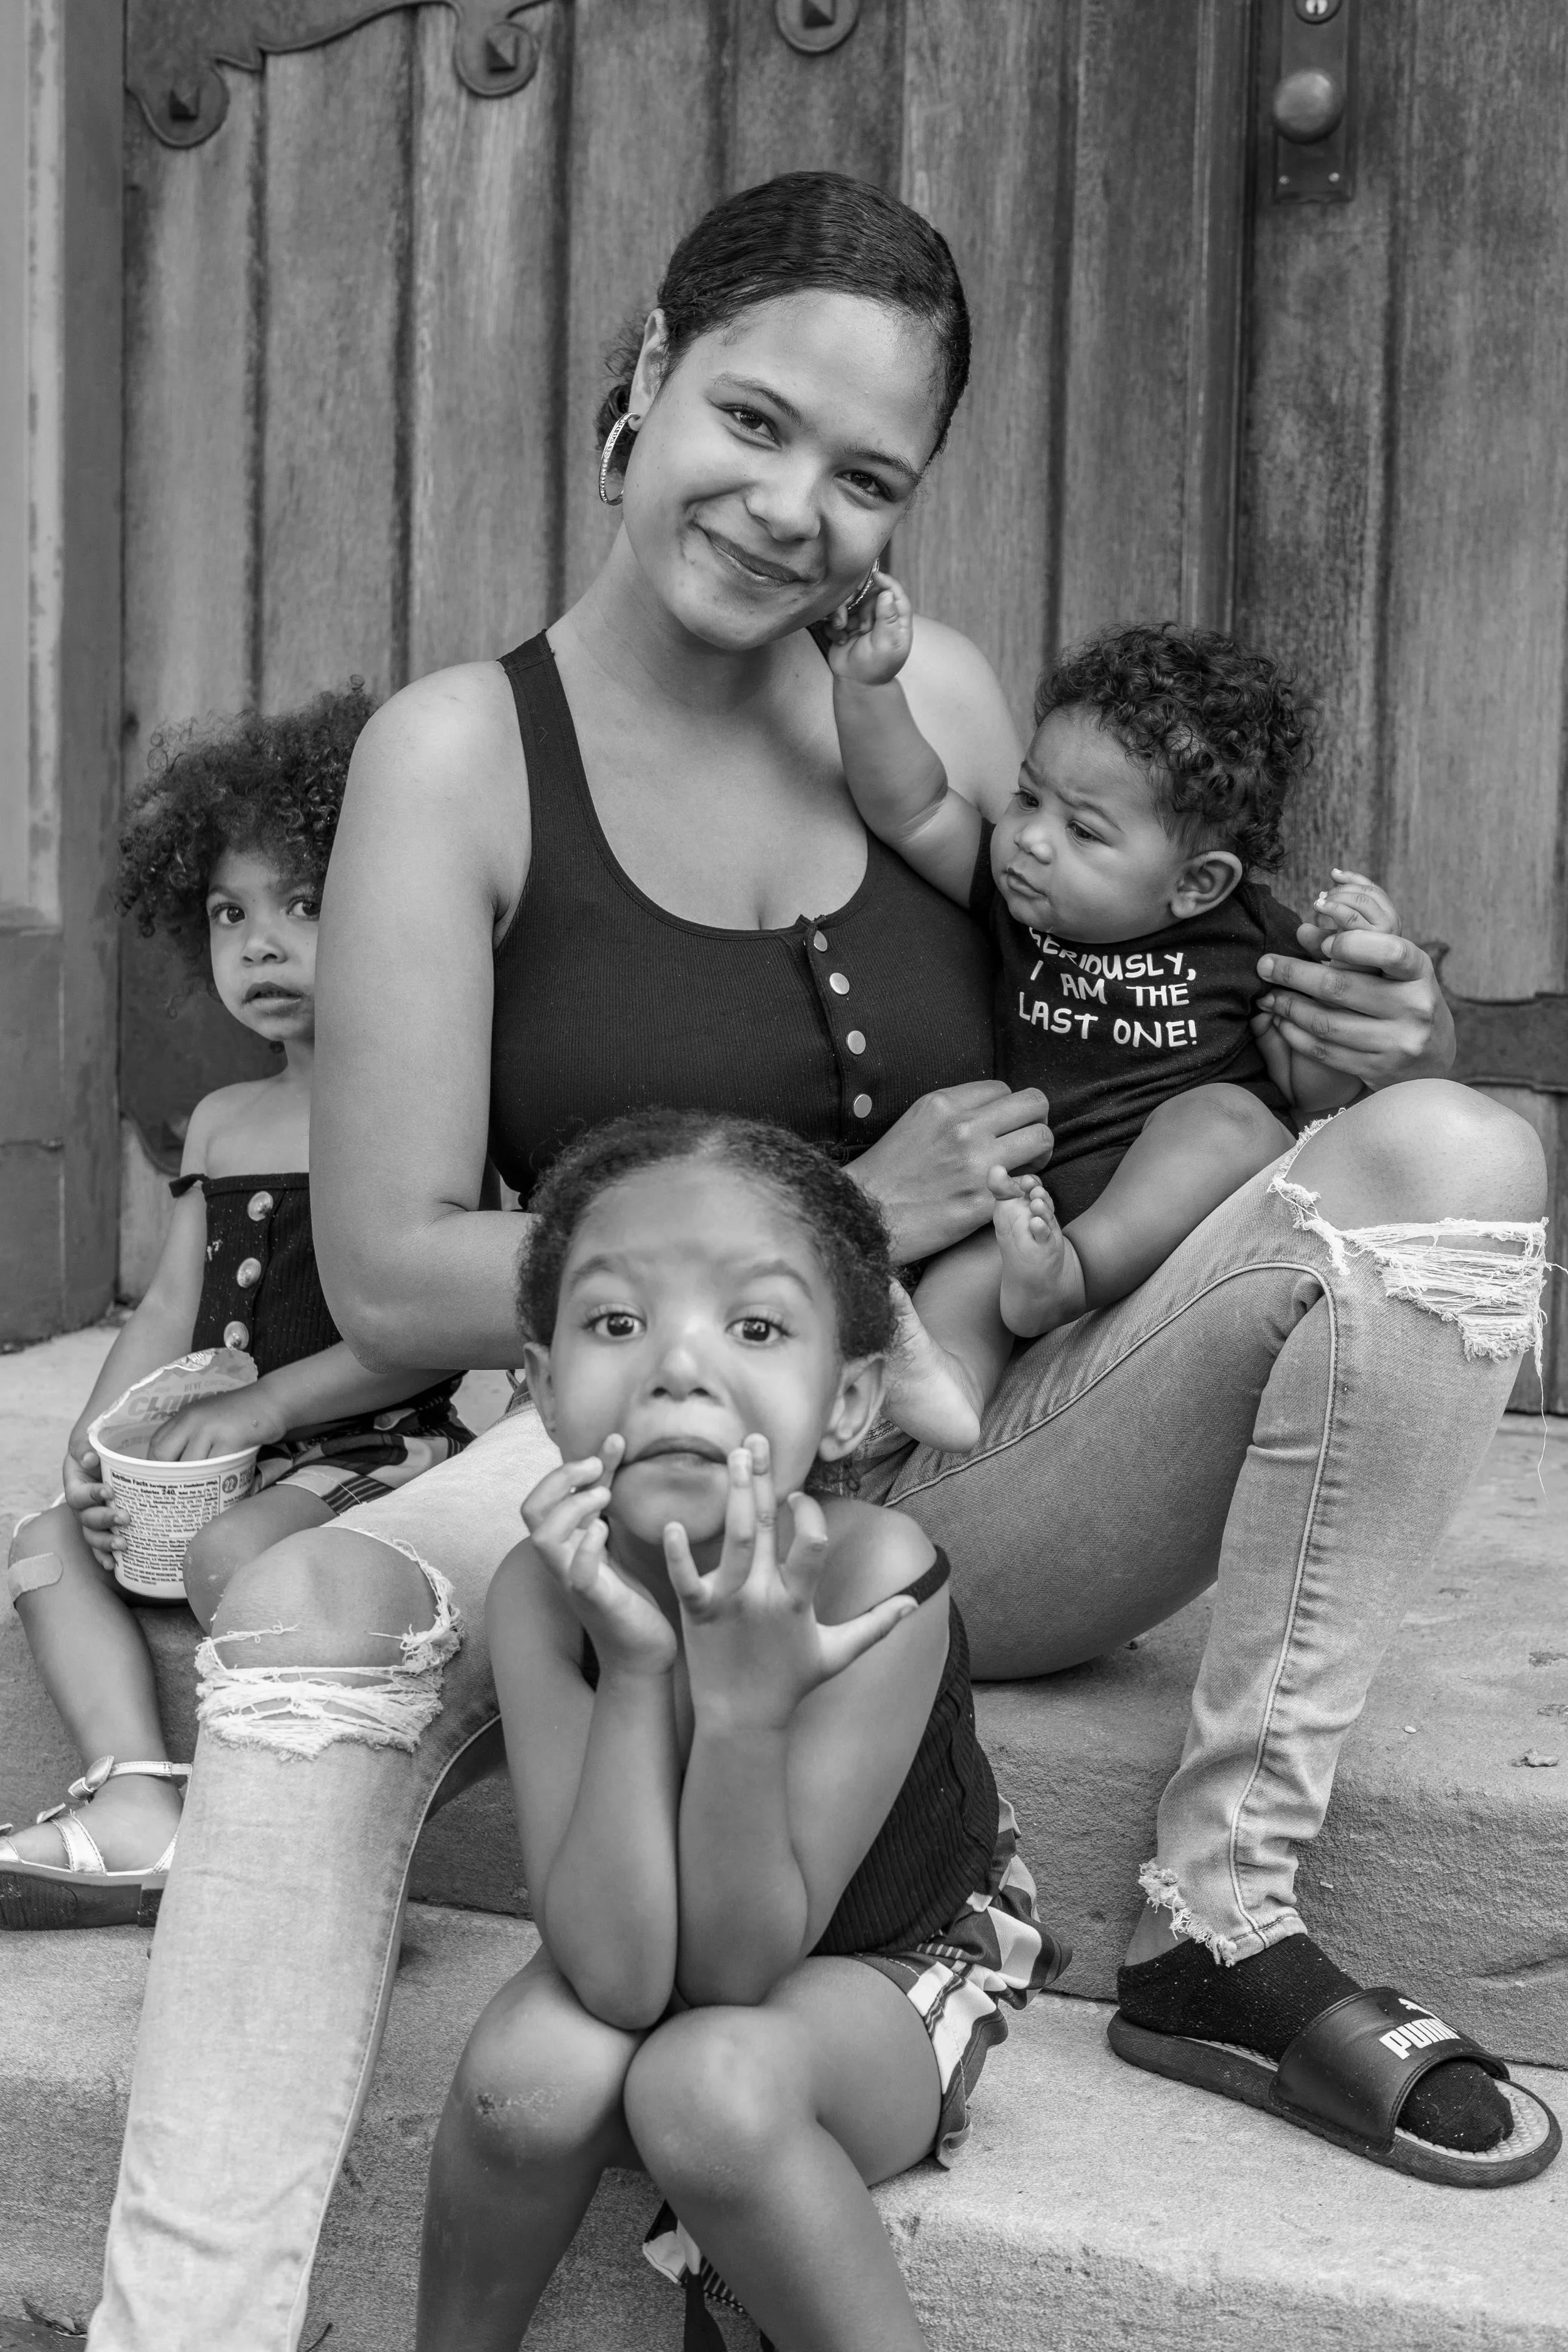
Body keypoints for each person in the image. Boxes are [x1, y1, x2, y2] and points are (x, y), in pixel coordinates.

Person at [88, 169, 1552, 2352]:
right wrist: (840, 1228)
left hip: (977, 1460)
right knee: (304, 1630)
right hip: (639, 1473)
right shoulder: (461, 760)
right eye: (752, 422)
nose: (794, 509)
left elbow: (1141, 1008)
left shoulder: (932, 698)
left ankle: (1214, 1920)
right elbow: (394, 1272)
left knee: (1461, 1142)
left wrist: (1340, 1034)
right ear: (643, 390)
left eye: (866, 476)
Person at [416, 1110, 1062, 2352]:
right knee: (524, 2075)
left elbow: (737, 1977)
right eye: (616, 1324)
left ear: (848, 1401)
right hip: (654, 1950)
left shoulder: (878, 1577)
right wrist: (633, 1669)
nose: (677, 1368)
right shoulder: (541, 1592)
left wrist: (743, 1710)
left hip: (893, 1963)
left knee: (704, 2085)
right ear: (543, 1393)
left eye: (755, 1328)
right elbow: (611, 1975)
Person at [1, 690, 469, 1929]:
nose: (261, 943)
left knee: (229, 1559)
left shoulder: (431, 1114)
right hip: (215, 1461)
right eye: (230, 913)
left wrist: (265, 1403)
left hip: (371, 1454)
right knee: (49, 1544)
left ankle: (292, 1834)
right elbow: (166, 1304)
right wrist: (96, 1448)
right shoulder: (221, 1122)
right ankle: (136, 1798)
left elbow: (430, 1325)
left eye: (305, 905)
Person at [827, 593, 1401, 1449]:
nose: (1030, 839)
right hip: (1033, 1195)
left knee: (1231, 1120)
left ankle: (1073, 1277)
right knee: (979, 1256)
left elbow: (1311, 1085)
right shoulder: (1015, 908)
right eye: (1028, 799)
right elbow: (910, 806)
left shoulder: (1249, 936)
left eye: (1084, 831)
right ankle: (946, 1381)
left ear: (1197, 883)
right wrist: (867, 688)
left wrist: (1356, 955)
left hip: (1166, 1218)